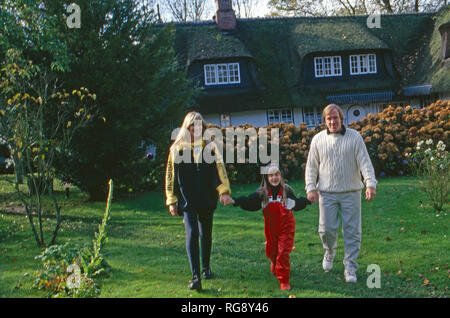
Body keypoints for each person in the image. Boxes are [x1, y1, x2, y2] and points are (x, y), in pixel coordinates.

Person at [305, 104, 377, 283]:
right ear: (324, 121)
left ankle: (350, 266)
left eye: (335, 118)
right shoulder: (317, 140)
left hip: (351, 192)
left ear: (341, 119)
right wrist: (310, 187)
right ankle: (329, 252)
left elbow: (365, 163)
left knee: (352, 231)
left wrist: (370, 183)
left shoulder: (355, 137)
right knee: (326, 229)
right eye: (328, 119)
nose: (332, 121)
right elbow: (311, 166)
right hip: (326, 193)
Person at [165, 111, 232, 291]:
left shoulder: (210, 147)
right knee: (192, 232)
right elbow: (171, 176)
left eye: (199, 125)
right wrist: (171, 199)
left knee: (206, 234)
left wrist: (223, 191)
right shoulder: (176, 149)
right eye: (192, 125)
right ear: (186, 127)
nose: (196, 128)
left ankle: (206, 268)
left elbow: (219, 171)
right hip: (187, 200)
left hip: (207, 197)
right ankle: (195, 276)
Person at [231, 164, 311, 291]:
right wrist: (235, 201)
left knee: (283, 252)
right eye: (271, 175)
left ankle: (284, 280)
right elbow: (249, 202)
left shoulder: (287, 191)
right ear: (266, 178)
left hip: (286, 227)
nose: (274, 178)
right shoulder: (262, 193)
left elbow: (296, 204)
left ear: (281, 176)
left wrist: (308, 201)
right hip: (271, 228)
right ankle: (274, 261)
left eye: (277, 174)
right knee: (272, 251)